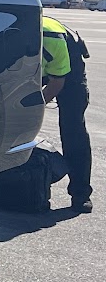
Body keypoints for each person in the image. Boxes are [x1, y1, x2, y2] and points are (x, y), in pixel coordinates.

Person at [42, 14, 92, 213]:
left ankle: (81, 194)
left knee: (73, 129)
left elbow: (56, 83)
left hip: (68, 69)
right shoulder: (4, 37)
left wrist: (34, 108)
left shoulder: (51, 40)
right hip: (36, 64)